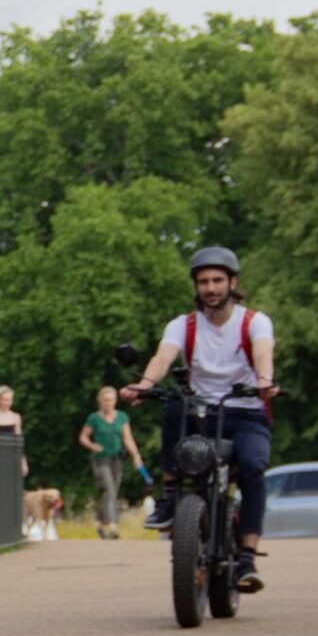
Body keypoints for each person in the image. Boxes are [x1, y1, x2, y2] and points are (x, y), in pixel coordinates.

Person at [119, 246, 278, 591]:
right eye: (204, 281)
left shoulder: (255, 321)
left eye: (218, 280)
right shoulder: (183, 325)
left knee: (253, 468)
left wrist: (264, 382)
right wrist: (143, 385)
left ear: (232, 282)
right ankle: (170, 496)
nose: (211, 288)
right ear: (196, 286)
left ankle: (247, 559)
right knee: (174, 405)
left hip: (247, 411)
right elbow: (164, 358)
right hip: (202, 413)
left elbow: (263, 352)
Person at [77, 386, 147, 539]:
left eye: (111, 400)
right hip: (100, 459)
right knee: (108, 489)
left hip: (117, 458)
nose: (108, 403)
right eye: (106, 400)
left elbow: (127, 438)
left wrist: (136, 456)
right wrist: (92, 445)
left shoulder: (122, 417)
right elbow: (83, 437)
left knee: (112, 492)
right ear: (100, 401)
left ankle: (101, 525)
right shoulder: (94, 418)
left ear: (115, 401)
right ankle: (113, 527)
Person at [0, 385, 29, 478]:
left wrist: (23, 462)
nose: (9, 403)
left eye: (10, 400)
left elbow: (19, 442)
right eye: (6, 400)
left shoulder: (16, 417)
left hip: (12, 457)